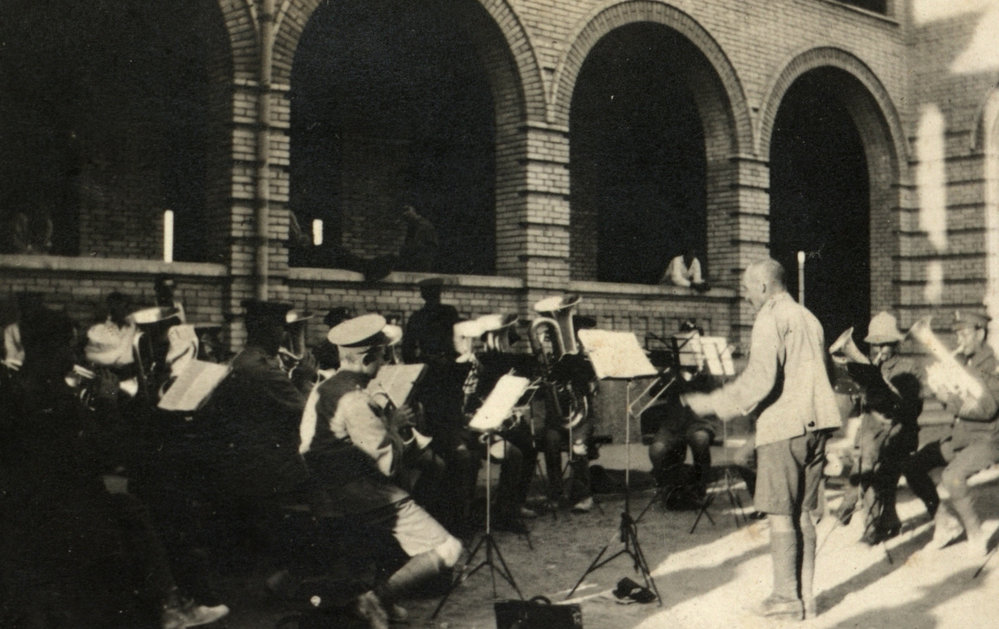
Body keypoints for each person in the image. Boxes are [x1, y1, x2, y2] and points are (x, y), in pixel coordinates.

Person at [0, 307, 227, 629]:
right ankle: (169, 604)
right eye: (69, 346)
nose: (74, 354)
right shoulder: (55, 395)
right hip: (68, 497)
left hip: (39, 494)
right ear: (50, 348)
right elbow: (102, 452)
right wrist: (107, 406)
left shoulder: (19, 385)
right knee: (134, 508)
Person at [683, 258, 841, 620]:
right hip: (817, 428)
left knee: (781, 515)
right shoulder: (809, 317)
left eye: (748, 290)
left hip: (784, 428)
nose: (747, 297)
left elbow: (760, 380)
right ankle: (807, 598)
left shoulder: (770, 317)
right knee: (803, 514)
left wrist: (711, 403)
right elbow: (827, 373)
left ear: (765, 287)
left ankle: (785, 599)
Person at [299, 313, 463, 629]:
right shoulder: (356, 400)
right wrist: (394, 425)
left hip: (331, 492)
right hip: (359, 495)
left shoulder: (326, 387)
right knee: (449, 548)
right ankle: (373, 601)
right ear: (366, 359)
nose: (386, 361)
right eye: (382, 355)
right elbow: (386, 464)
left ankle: (379, 598)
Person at [904, 311, 999, 557]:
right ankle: (944, 522)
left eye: (965, 334)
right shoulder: (966, 362)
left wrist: (948, 397)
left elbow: (986, 410)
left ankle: (976, 534)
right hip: (963, 437)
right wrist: (940, 387)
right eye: (957, 335)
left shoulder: (992, 365)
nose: (959, 341)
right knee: (914, 466)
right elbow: (961, 401)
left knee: (952, 477)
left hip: (987, 439)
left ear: (980, 332)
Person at [830, 311, 924, 545]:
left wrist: (885, 389)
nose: (879, 349)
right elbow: (861, 405)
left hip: (898, 433)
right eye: (875, 345)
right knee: (868, 463)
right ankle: (876, 521)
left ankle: (856, 512)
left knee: (869, 467)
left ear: (895, 344)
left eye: (884, 345)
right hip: (871, 434)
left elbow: (912, 407)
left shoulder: (909, 367)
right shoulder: (872, 367)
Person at [462, 313, 539, 533]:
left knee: (529, 444)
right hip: (482, 424)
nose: (504, 340)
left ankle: (513, 503)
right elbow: (472, 401)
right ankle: (504, 511)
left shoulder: (509, 362)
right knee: (515, 450)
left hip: (500, 420)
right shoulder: (479, 362)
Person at [396, 204, 439, 273]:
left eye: (407, 210)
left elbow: (429, 247)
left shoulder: (424, 226)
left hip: (420, 263)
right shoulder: (412, 226)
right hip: (413, 262)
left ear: (415, 211)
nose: (404, 213)